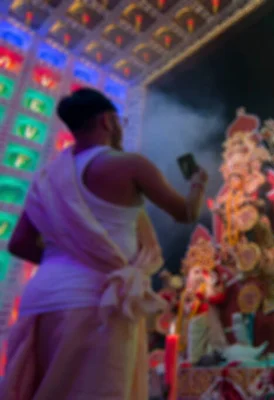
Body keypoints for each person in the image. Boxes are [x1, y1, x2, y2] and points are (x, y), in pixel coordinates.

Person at [0, 88, 207, 400]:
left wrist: (71, 259)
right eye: (119, 120)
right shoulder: (130, 165)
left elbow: (19, 244)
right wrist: (198, 183)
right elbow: (186, 212)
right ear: (107, 121)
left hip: (42, 300)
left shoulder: (46, 177)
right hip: (100, 301)